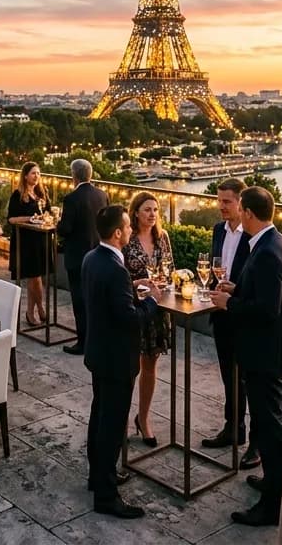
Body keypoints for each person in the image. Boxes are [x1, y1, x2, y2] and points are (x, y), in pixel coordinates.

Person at [212, 186, 282, 527]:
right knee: (281, 420)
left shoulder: (265, 252)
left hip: (264, 353)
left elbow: (265, 311)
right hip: (277, 349)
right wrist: (238, 289)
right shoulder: (277, 243)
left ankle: (273, 504)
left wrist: (229, 303)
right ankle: (281, 484)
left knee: (270, 425)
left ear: (247, 212)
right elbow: (266, 295)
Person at [83, 205, 159, 520]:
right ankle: (106, 496)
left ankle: (98, 476)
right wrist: (151, 303)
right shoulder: (115, 269)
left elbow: (111, 305)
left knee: (99, 416)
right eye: (127, 227)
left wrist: (133, 295)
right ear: (117, 233)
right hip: (116, 357)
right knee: (112, 425)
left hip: (98, 352)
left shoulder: (92, 258)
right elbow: (128, 320)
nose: (130, 231)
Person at [204, 177, 259, 469]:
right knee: (230, 377)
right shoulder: (217, 230)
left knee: (251, 381)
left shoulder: (255, 236)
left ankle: (257, 444)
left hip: (244, 315)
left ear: (241, 203)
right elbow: (215, 270)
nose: (221, 206)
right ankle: (233, 429)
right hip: (222, 314)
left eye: (227, 201)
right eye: (219, 200)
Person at [124, 191, 173, 447]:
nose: (152, 214)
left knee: (150, 367)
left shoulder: (162, 237)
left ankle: (143, 418)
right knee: (129, 368)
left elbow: (170, 270)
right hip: (133, 308)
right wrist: (137, 286)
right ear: (136, 213)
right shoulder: (126, 239)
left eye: (155, 210)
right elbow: (118, 280)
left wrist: (165, 284)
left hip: (157, 310)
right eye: (147, 210)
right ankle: (121, 419)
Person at [57, 158, 107, 356]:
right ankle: (97, 339)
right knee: (95, 300)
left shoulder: (71, 199)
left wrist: (58, 225)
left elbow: (66, 229)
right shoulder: (103, 195)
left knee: (80, 300)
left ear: (74, 176)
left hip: (78, 257)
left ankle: (83, 342)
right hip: (98, 254)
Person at [7, 162, 52, 327]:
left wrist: (45, 218)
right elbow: (11, 219)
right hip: (25, 240)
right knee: (35, 276)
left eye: (38, 173)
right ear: (25, 176)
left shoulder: (42, 192)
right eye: (33, 173)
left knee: (36, 276)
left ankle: (30, 311)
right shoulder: (17, 195)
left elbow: (47, 212)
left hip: (40, 238)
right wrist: (29, 218)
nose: (36, 176)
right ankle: (39, 308)